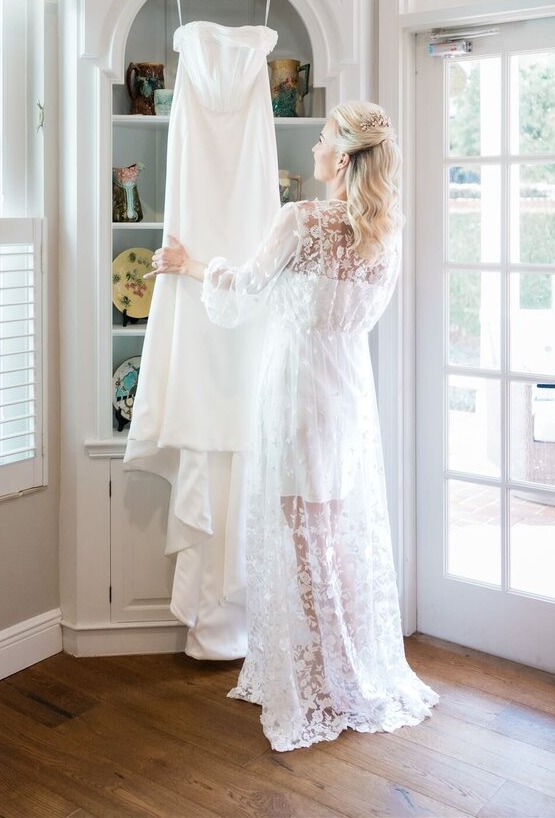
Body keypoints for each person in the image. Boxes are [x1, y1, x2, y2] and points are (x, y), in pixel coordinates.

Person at [145, 101, 439, 752]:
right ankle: (349, 665)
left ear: (344, 157)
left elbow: (246, 285)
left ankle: (334, 680)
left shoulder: (303, 218)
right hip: (348, 392)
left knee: (307, 541)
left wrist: (189, 264)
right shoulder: (384, 231)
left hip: (300, 392)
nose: (314, 148)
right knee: (332, 538)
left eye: (324, 139)